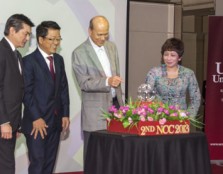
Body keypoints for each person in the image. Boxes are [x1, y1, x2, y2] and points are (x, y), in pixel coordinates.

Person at [72, 15, 124, 159]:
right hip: (95, 112)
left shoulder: (112, 47)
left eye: (106, 34)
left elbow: (116, 73)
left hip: (116, 107)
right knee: (95, 155)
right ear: (90, 31)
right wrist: (107, 81)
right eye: (99, 34)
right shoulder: (79, 52)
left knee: (115, 154)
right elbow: (84, 83)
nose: (103, 38)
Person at [21, 21, 70, 174]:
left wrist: (65, 114)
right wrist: (36, 117)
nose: (56, 43)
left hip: (55, 123)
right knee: (38, 163)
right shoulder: (28, 61)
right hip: (36, 124)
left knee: (49, 164)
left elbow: (63, 89)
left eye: (58, 39)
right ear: (41, 39)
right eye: (52, 39)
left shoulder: (59, 60)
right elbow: (26, 93)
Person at [0, 14, 34, 174]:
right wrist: (3, 122)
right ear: (12, 30)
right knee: (6, 166)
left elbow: (16, 91)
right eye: (25, 33)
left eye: (29, 35)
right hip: (3, 123)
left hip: (11, 122)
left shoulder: (17, 55)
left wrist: (16, 123)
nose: (27, 38)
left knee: (6, 163)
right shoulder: (1, 51)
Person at [145, 37, 201, 117]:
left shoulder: (188, 74)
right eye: (166, 54)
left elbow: (196, 98)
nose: (168, 58)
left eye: (173, 55)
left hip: (180, 120)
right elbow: (146, 96)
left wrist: (188, 117)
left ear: (180, 57)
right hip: (158, 118)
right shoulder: (154, 72)